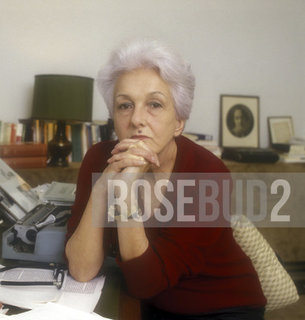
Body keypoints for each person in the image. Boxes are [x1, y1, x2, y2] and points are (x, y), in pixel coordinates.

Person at [65, 40, 266, 319]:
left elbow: (146, 283)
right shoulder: (99, 159)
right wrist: (102, 188)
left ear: (179, 122)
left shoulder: (208, 174)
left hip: (219, 306)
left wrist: (124, 191)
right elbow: (81, 270)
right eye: (125, 105)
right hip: (150, 305)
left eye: (155, 105)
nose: (136, 119)